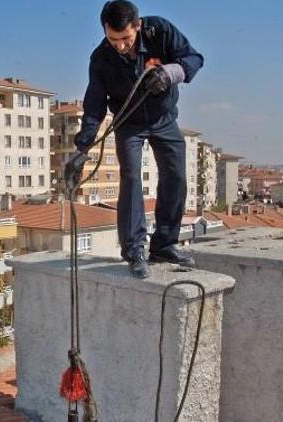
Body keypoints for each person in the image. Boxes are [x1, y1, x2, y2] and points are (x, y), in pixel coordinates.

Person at [66, 0, 204, 278]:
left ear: (138, 26)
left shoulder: (160, 31)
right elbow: (94, 105)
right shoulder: (101, 59)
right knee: (131, 179)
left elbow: (194, 59)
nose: (120, 45)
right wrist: (82, 148)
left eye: (126, 38)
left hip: (164, 120)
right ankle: (134, 250)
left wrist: (168, 73)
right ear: (105, 31)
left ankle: (164, 245)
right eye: (112, 39)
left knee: (175, 176)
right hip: (128, 124)